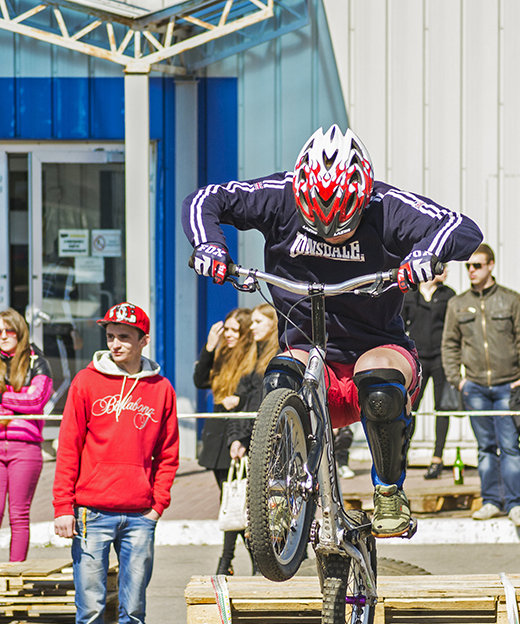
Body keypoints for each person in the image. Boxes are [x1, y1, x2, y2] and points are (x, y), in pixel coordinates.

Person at [183, 125, 482, 536]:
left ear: (363, 195)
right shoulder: (278, 194)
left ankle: (389, 491)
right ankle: (279, 490)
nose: (329, 232)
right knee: (279, 376)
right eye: (317, 223)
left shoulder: (387, 205)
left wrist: (425, 255)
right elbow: (205, 199)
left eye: (343, 223)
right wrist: (210, 245)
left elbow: (459, 226)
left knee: (378, 384)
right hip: (308, 348)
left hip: (377, 347)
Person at [53, 302, 180, 624]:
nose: (116, 343)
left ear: (144, 340)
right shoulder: (86, 382)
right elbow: (68, 445)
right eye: (111, 336)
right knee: (89, 609)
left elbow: (169, 452)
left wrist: (157, 504)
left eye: (125, 336)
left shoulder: (161, 388)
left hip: (139, 516)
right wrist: (62, 507)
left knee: (134, 609)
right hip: (90, 512)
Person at [442, 244, 520, 524]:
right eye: (468, 266)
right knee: (485, 447)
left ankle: (516, 504)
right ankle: (491, 501)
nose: (471, 271)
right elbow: (449, 344)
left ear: (491, 265)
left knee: (509, 446)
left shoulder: (511, 300)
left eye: (477, 265)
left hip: (508, 386)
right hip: (474, 388)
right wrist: (456, 380)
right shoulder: (457, 304)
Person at [0, 309, 53, 562]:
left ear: (20, 331)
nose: (3, 336)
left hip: (26, 448)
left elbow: (37, 400)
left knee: (19, 515)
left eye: (9, 330)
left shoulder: (38, 362)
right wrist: (17, 404)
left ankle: (15, 573)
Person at [217, 303, 278, 575]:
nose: (251, 327)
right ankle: (243, 563)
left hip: (271, 442)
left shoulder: (279, 358)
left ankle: (262, 563)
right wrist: (235, 438)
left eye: (257, 322)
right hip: (249, 440)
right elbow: (244, 404)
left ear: (273, 325)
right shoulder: (252, 357)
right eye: (251, 322)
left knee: (263, 508)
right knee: (243, 504)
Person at [193, 307, 256, 488]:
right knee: (227, 493)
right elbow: (201, 380)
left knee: (241, 492)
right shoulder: (223, 353)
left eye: (235, 330)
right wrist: (210, 348)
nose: (229, 334)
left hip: (240, 431)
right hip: (218, 432)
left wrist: (240, 400)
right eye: (226, 329)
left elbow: (257, 391)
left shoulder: (253, 358)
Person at [403, 268, 457, 479]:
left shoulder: (448, 295)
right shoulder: (411, 295)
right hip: (419, 359)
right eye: (440, 268)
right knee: (412, 406)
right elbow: (401, 324)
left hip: (441, 358)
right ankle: (403, 453)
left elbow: (453, 328)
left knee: (441, 408)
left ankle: (437, 457)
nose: (444, 272)